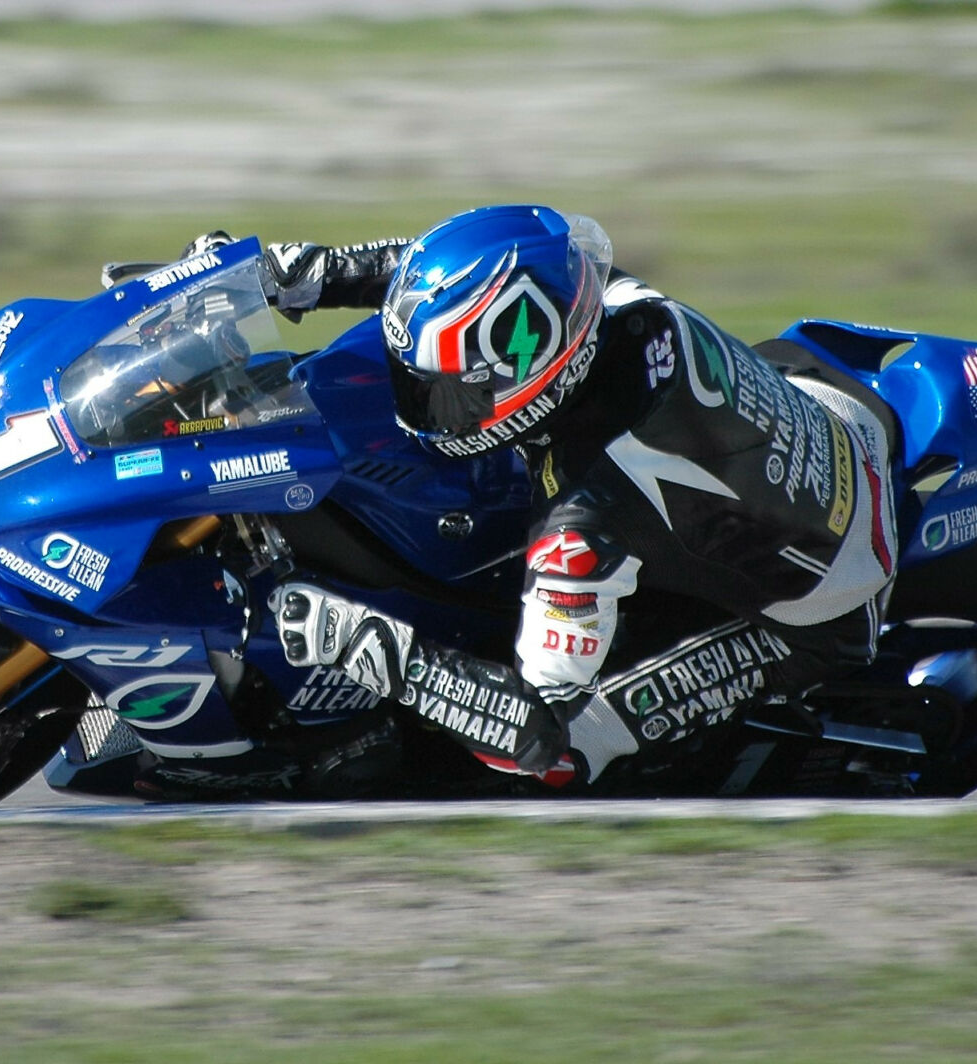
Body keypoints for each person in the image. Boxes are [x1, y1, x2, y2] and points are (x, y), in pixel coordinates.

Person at [207, 205, 901, 787]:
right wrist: (284, 278)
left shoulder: (584, 520)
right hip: (825, 418)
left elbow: (534, 730)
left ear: (536, 383)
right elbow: (437, 270)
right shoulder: (594, 294)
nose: (426, 405)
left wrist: (369, 645)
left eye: (450, 393)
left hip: (822, 602)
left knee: (574, 754)